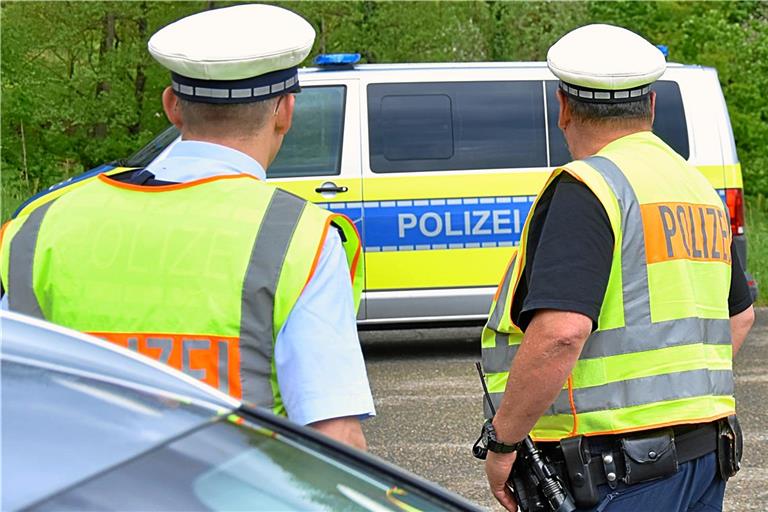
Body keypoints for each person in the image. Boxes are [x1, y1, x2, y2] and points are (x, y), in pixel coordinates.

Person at [0, 4, 375, 450]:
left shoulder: (38, 224)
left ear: (172, 107)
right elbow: (334, 436)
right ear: (285, 112)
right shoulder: (298, 238)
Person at [479, 24, 754, 511]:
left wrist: (502, 442)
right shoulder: (696, 189)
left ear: (563, 108)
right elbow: (739, 316)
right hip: (703, 457)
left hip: (617, 471)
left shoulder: (589, 187)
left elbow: (562, 333)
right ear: (649, 107)